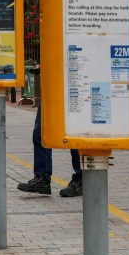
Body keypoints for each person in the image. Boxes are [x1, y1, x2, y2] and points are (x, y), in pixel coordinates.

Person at [17, 63, 82, 197]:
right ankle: (42, 179)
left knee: (74, 134)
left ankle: (81, 179)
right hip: (52, 89)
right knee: (40, 133)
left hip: (74, 88)